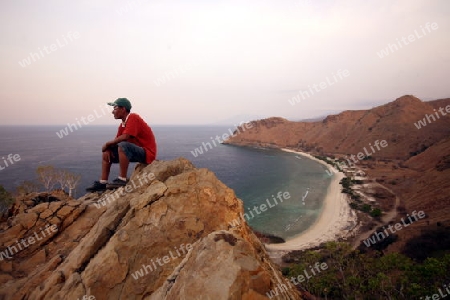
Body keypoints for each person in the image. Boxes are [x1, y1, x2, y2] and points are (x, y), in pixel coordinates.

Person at [86, 98, 157, 192]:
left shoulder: (133, 117)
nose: (112, 112)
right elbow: (116, 141)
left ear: (123, 109)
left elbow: (125, 137)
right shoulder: (122, 125)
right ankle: (103, 182)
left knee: (123, 145)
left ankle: (122, 179)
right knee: (108, 151)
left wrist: (107, 143)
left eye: (115, 108)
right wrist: (108, 148)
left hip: (147, 153)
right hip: (135, 152)